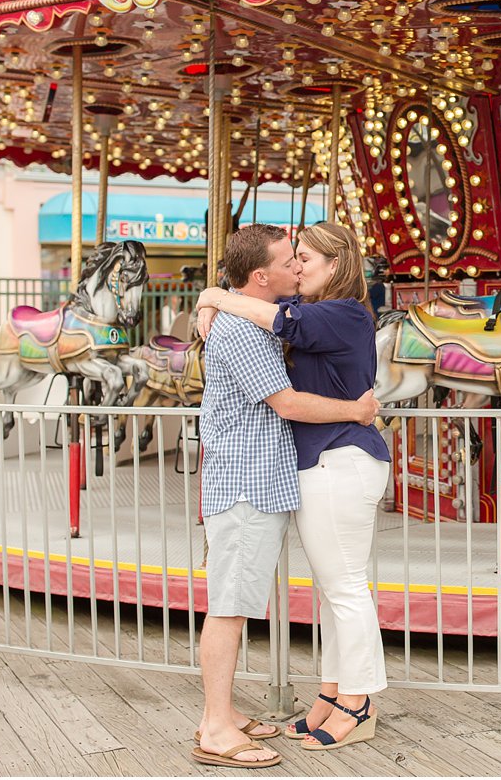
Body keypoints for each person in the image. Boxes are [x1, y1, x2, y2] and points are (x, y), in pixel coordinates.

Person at [199, 222, 391, 753]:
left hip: (340, 459)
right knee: (335, 590)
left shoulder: (342, 312)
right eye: (293, 258)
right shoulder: (311, 318)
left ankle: (358, 699)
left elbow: (277, 318)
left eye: (306, 258)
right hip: (319, 462)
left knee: (346, 587)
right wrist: (213, 303)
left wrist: (217, 296)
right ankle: (332, 693)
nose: (299, 266)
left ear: (336, 265)